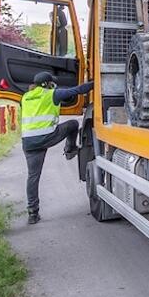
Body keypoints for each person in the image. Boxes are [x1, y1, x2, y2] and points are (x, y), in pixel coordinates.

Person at [21, 71, 94, 224]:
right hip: (48, 137)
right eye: (50, 82)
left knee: (33, 177)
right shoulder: (52, 94)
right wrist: (97, 83)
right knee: (73, 124)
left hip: (29, 142)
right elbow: (78, 90)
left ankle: (33, 213)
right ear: (47, 84)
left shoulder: (26, 97)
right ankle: (70, 150)